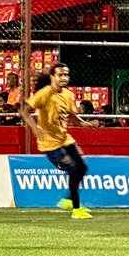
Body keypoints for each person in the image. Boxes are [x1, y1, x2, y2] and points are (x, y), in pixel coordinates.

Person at [21, 63, 101, 220]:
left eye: (66, 75)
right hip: (49, 143)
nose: (64, 78)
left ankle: (68, 200)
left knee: (82, 168)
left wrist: (86, 123)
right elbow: (23, 110)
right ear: (52, 77)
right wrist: (34, 128)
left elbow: (72, 117)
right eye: (60, 75)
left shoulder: (68, 95)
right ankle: (76, 210)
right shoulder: (44, 94)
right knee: (73, 169)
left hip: (65, 139)